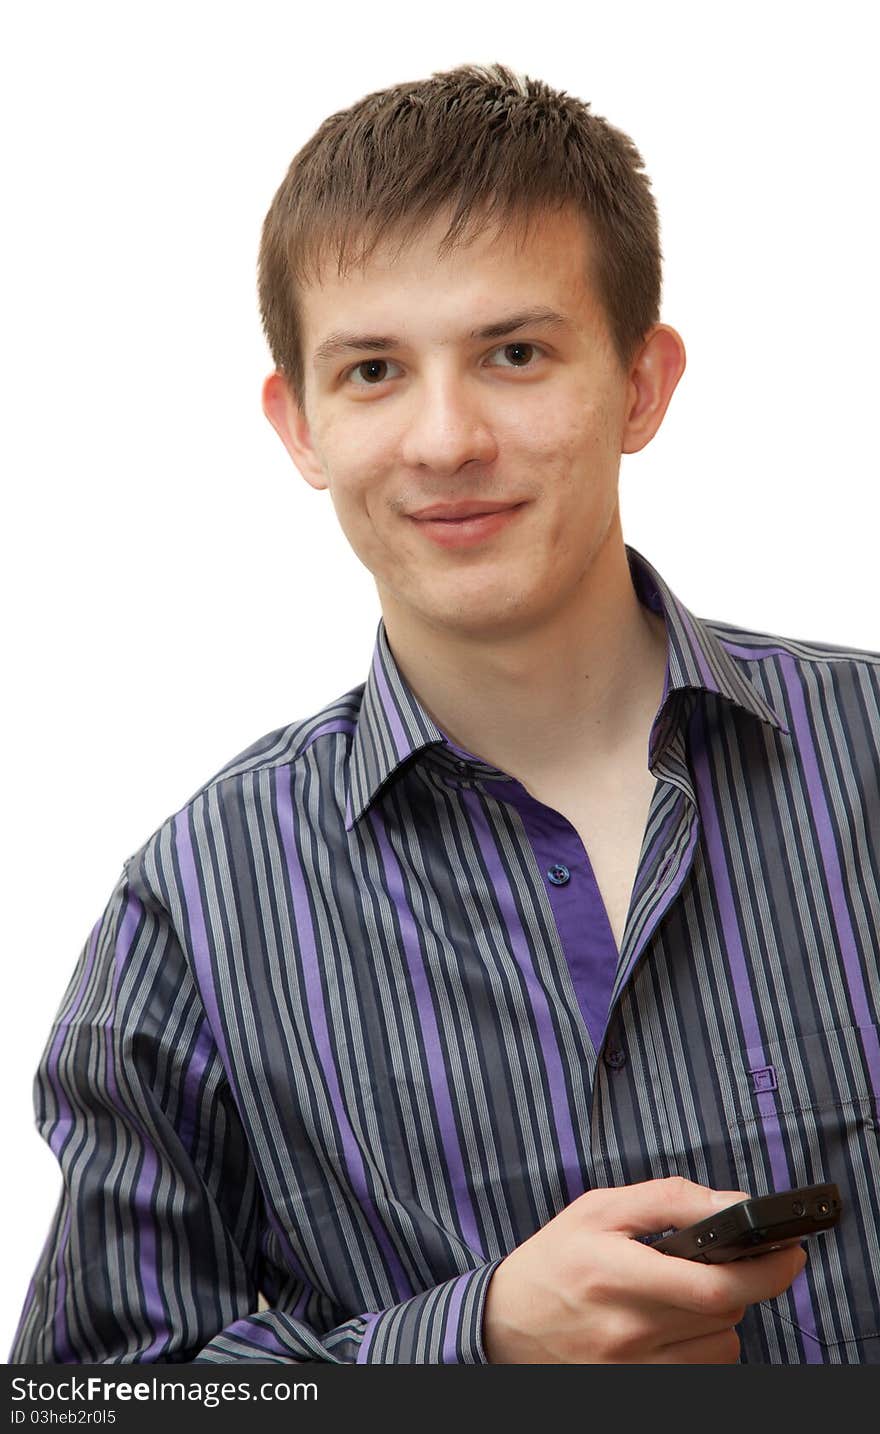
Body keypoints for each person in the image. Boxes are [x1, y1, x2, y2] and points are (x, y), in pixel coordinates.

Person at [10, 61, 880, 1367]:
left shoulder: (866, 759)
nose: (443, 437)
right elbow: (83, 1404)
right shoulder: (195, 909)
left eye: (514, 353)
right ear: (299, 425)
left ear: (642, 383)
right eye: (372, 370)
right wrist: (475, 1348)